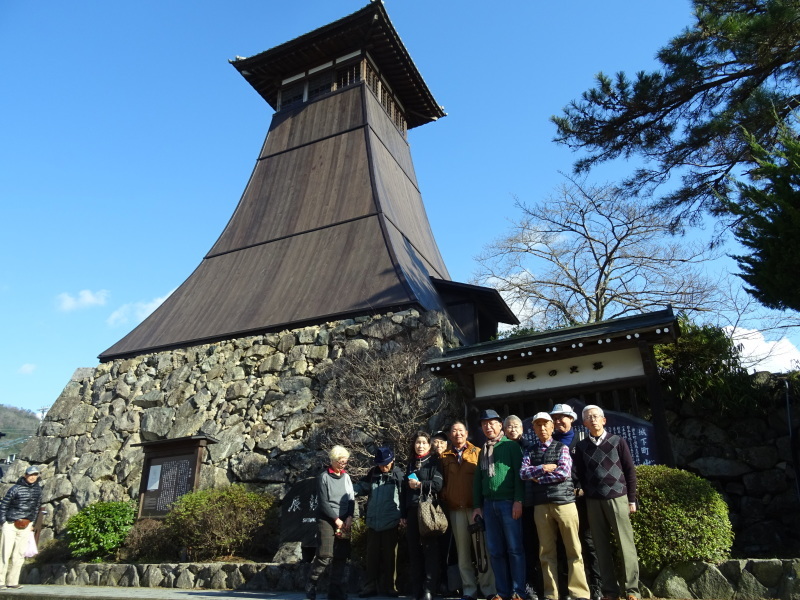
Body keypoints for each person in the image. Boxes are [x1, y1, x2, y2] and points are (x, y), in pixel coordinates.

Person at [520, 413, 590, 600]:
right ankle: (551, 594)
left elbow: (563, 473)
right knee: (546, 552)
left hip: (564, 503)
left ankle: (579, 593)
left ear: (552, 427)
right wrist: (543, 468)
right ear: (533, 429)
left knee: (573, 549)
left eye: (545, 425)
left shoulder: (562, 448)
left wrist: (538, 477)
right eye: (538, 425)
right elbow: (524, 473)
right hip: (540, 505)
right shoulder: (530, 450)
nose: (542, 428)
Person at [573, 406, 640, 600]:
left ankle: (632, 590)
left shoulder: (617, 441)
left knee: (625, 545)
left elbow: (630, 471)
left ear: (604, 420)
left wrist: (632, 499)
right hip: (593, 500)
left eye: (596, 416)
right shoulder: (582, 446)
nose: (592, 420)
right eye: (588, 418)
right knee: (600, 547)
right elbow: (579, 473)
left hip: (618, 498)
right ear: (584, 423)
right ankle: (609, 591)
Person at [472, 409, 526, 600]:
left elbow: (520, 476)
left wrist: (519, 500)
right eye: (484, 424)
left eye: (492, 423)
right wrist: (477, 505)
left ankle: (518, 592)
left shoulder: (511, 446)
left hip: (508, 502)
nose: (488, 427)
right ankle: (502, 592)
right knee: (495, 551)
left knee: (515, 549)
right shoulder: (483, 450)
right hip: (488, 505)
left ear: (500, 425)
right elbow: (478, 479)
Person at [550, 403, 601, 600]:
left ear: (571, 418)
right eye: (554, 418)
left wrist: (582, 489)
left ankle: (596, 586)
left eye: (562, 417)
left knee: (588, 543)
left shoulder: (583, 440)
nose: (557, 421)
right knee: (563, 545)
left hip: (582, 500)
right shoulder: (550, 442)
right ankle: (567, 588)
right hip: (559, 501)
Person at [441, 420, 497, 600]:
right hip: (455, 509)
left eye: (460, 431)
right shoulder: (444, 456)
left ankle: (488, 589)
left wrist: (479, 504)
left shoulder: (477, 452)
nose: (457, 434)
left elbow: (483, 480)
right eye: (454, 431)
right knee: (463, 552)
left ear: (467, 433)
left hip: (475, 509)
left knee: (482, 550)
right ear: (450, 435)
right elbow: (442, 482)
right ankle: (469, 590)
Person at [306, 446, 356, 600]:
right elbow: (323, 502)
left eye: (345, 462)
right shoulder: (324, 477)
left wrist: (349, 517)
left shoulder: (346, 477)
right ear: (333, 461)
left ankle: (335, 591)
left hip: (344, 518)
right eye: (340, 462)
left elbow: (351, 498)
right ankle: (312, 582)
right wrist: (336, 519)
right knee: (325, 555)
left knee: (341, 555)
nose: (343, 464)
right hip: (327, 519)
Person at [355, 447, 404, 598]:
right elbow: (362, 487)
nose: (383, 467)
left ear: (392, 461)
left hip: (391, 521)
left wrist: (403, 516)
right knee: (372, 556)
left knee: (391, 556)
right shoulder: (373, 474)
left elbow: (404, 497)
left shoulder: (399, 475)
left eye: (386, 464)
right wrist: (347, 489)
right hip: (373, 522)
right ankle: (370, 586)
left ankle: (391, 586)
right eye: (381, 464)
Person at [401, 431, 444, 600]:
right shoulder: (411, 463)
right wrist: (403, 514)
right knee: (414, 550)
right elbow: (404, 490)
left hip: (428, 509)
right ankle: (416, 588)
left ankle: (429, 589)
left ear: (429, 445)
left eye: (424, 443)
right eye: (417, 443)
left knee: (429, 549)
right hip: (411, 510)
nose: (420, 446)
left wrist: (419, 485)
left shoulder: (434, 462)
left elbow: (438, 485)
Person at [504, 415, 540, 600]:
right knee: (513, 546)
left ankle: (533, 584)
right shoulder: (498, 449)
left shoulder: (529, 447)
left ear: (522, 429)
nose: (512, 429)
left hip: (529, 503)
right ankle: (519, 585)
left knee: (531, 544)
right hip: (506, 503)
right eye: (509, 426)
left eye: (516, 426)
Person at [0, 465, 42, 589]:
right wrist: (3, 522)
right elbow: (3, 505)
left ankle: (12, 581)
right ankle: (0, 581)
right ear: (25, 475)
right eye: (30, 475)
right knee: (4, 553)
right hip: (11, 523)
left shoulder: (38, 490)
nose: (33, 477)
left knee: (19, 555)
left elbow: (36, 508)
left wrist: (31, 523)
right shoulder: (15, 489)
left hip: (26, 525)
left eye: (35, 475)